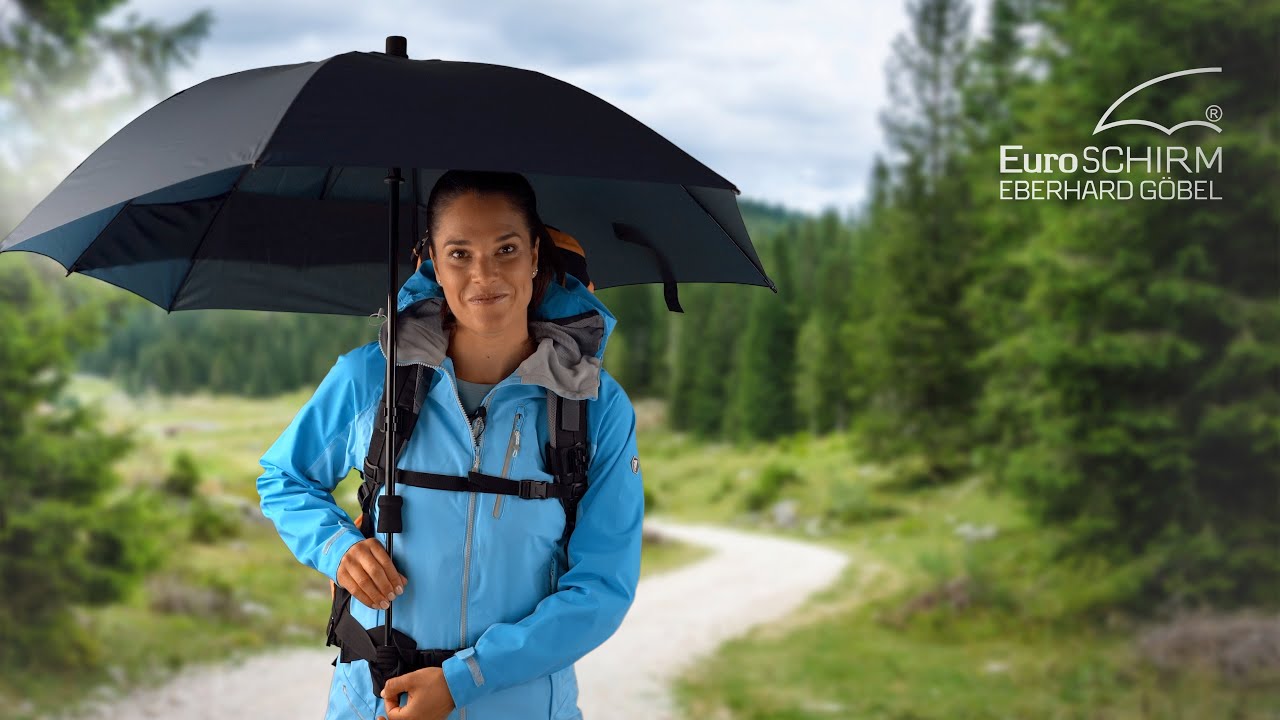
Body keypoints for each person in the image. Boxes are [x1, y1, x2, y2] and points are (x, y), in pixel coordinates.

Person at [256, 170, 645, 720]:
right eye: (459, 253)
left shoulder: (595, 406)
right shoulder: (372, 380)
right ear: (434, 263)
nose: (483, 274)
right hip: (377, 701)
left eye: (505, 248)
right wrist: (335, 547)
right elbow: (284, 477)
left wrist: (465, 680)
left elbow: (602, 588)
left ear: (535, 255)